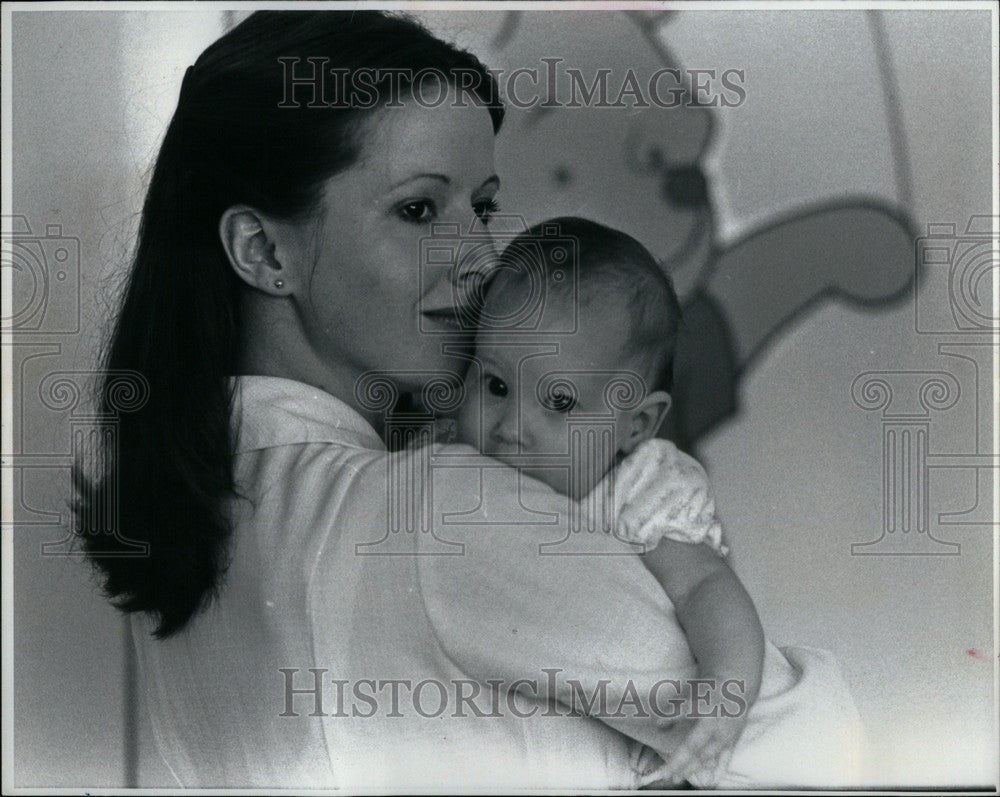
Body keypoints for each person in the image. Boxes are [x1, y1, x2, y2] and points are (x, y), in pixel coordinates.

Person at [71, 10, 732, 789]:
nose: (482, 260)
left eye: (481, 208)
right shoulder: (440, 507)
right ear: (262, 250)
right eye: (420, 209)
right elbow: (813, 738)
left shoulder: (194, 514)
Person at [450, 217, 864, 787]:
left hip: (702, 747)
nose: (511, 426)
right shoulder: (459, 472)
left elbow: (706, 588)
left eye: (560, 402)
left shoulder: (639, 492)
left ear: (635, 425)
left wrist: (722, 695)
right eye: (495, 386)